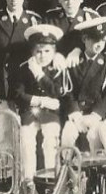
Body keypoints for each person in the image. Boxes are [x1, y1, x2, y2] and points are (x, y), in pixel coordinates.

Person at [11, 23, 72, 180]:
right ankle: (28, 179)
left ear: (54, 52)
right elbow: (18, 94)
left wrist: (39, 75)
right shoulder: (24, 68)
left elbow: (56, 91)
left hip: (51, 114)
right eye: (38, 51)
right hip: (30, 112)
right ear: (32, 51)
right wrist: (41, 101)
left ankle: (50, 178)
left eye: (47, 51)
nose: (43, 55)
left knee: (50, 140)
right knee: (26, 139)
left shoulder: (58, 68)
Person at [60, 15, 106, 155]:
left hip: (97, 114)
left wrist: (96, 115)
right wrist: (75, 112)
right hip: (77, 113)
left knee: (94, 136)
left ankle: (97, 173)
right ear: (84, 39)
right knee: (67, 134)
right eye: (94, 39)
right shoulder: (73, 62)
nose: (99, 43)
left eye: (103, 39)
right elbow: (67, 90)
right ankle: (67, 170)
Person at [45, 0, 92, 65]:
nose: (70, 2)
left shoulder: (90, 17)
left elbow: (95, 43)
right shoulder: (49, 18)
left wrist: (79, 49)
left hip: (82, 66)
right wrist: (54, 53)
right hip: (56, 65)